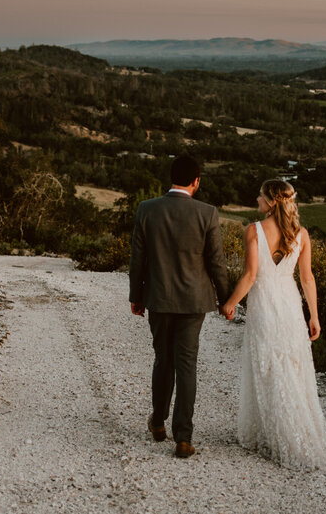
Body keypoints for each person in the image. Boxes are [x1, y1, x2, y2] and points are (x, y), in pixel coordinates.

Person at [220, 178, 326, 469]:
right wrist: (314, 316)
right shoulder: (302, 234)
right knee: (291, 365)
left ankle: (276, 434)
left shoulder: (253, 231)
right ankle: (290, 431)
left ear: (272, 201)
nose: (256, 199)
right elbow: (307, 279)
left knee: (266, 365)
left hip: (264, 304)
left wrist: (230, 303)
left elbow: (249, 277)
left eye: (260, 195)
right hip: (289, 305)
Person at [129, 155, 231, 458]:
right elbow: (216, 263)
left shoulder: (147, 209)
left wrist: (136, 297)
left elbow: (138, 260)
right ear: (196, 181)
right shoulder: (207, 214)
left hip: (158, 299)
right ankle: (183, 437)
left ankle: (158, 423)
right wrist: (226, 300)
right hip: (193, 302)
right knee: (187, 364)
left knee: (163, 360)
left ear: (171, 177)